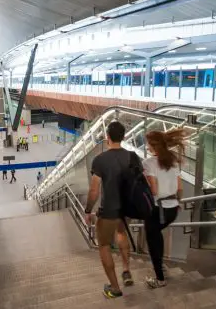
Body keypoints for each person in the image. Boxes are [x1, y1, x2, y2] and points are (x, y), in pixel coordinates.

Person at [85, 121, 138, 299]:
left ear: (107, 138)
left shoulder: (100, 160)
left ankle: (115, 288)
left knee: (104, 245)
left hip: (108, 211)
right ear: (123, 137)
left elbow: (94, 190)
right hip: (127, 209)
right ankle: (126, 270)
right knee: (122, 234)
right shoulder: (133, 157)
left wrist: (87, 210)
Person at [142, 129, 185, 289]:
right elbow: (180, 188)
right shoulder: (173, 161)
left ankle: (159, 279)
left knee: (153, 241)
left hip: (157, 211)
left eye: (147, 143)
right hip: (172, 209)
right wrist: (177, 202)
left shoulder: (148, 163)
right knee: (157, 236)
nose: (146, 146)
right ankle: (160, 267)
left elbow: (154, 191)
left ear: (152, 145)